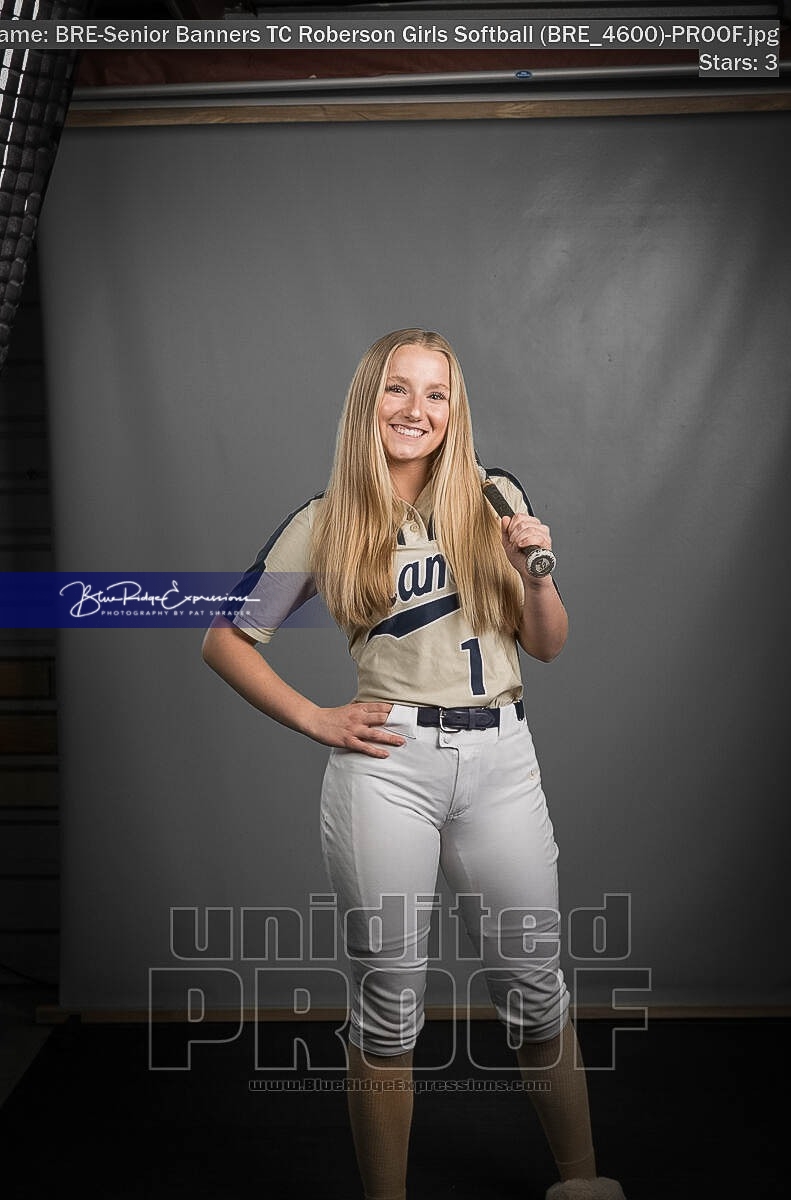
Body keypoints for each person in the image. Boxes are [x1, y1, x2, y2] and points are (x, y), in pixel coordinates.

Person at [201, 329, 626, 1200]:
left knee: (534, 986)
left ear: (454, 410)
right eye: (398, 388)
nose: (416, 410)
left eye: (437, 394)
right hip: (388, 768)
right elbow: (224, 638)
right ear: (370, 400)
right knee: (390, 1002)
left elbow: (547, 644)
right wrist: (315, 717)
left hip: (501, 759)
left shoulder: (494, 495)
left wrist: (537, 576)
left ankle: (582, 1183)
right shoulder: (326, 519)